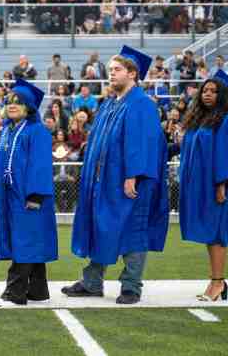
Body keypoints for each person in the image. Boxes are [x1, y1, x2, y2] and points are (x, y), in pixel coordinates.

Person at [64, 46, 169, 305]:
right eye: (110, 70)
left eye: (117, 70)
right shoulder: (111, 104)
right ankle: (92, 282)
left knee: (132, 230)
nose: (111, 74)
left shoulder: (142, 104)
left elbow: (143, 143)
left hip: (130, 182)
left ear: (132, 74)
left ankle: (131, 286)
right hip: (105, 181)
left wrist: (133, 175)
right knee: (103, 226)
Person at [176, 70, 228, 301]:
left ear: (223, 95)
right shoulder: (201, 121)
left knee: (217, 234)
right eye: (204, 90)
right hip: (202, 186)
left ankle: (217, 283)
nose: (207, 94)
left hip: (219, 187)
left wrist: (221, 186)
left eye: (213, 91)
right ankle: (218, 281)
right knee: (210, 234)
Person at [0, 78, 58, 307]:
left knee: (25, 241)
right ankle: (38, 290)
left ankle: (15, 293)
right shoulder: (9, 131)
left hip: (29, 197)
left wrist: (35, 196)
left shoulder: (36, 131)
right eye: (9, 100)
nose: (12, 104)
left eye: (18, 102)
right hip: (12, 196)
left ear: (29, 106)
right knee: (30, 240)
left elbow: (40, 165)